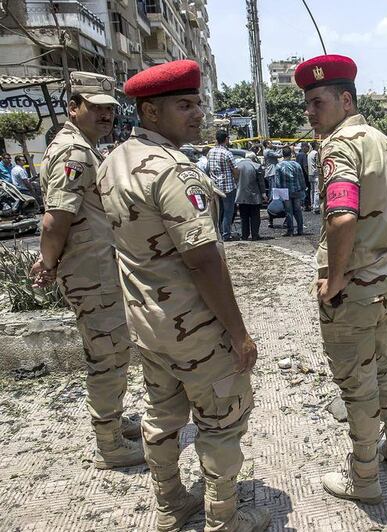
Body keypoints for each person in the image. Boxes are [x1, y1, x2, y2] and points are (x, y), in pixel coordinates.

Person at [97, 60, 269, 530]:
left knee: (161, 416)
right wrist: (239, 334)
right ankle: (223, 517)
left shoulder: (114, 159)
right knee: (221, 421)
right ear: (151, 112)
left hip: (148, 325)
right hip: (194, 329)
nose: (198, 114)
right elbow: (203, 260)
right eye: (184, 105)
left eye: (196, 103)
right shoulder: (172, 169)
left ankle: (170, 505)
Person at [296, 53, 387, 505]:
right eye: (307, 103)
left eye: (316, 101)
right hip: (385, 282)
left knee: (356, 383)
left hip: (352, 290)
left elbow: (341, 219)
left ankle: (365, 480)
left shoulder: (338, 146)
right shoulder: (384, 142)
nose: (309, 112)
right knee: (384, 366)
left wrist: (335, 279)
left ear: (345, 99)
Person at [29, 71, 145, 473]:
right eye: (94, 107)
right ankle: (109, 445)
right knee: (108, 353)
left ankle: (113, 421)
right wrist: (47, 262)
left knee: (113, 349)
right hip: (91, 271)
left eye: (109, 109)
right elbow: (54, 220)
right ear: (72, 107)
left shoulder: (79, 147)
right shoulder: (75, 153)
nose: (105, 115)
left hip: (95, 267)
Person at [208, 130, 239, 241]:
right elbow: (235, 170)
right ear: (226, 139)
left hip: (215, 187)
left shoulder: (210, 152)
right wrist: (235, 179)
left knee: (217, 212)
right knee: (228, 212)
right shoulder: (227, 153)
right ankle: (226, 234)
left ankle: (218, 233)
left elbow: (208, 168)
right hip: (228, 187)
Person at [274, 145, 306, 236]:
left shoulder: (279, 166)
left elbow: (277, 181)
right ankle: (300, 229)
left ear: (282, 154)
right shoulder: (296, 165)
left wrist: (277, 193)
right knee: (298, 210)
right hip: (296, 190)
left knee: (288, 211)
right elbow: (301, 178)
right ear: (291, 154)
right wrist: (303, 189)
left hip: (285, 191)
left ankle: (290, 230)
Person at [235, 153, 266, 241]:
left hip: (241, 195)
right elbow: (261, 182)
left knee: (243, 217)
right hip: (254, 195)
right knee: (255, 216)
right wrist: (263, 194)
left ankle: (244, 235)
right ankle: (255, 235)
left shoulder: (237, 166)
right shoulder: (256, 166)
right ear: (253, 158)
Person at [296, 142, 310, 211]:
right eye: (308, 147)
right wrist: (308, 174)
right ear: (304, 147)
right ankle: (306, 205)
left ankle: (301, 204)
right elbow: (305, 166)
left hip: (298, 175)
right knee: (306, 190)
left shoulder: (298, 155)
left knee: (300, 190)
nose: (308, 148)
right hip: (304, 175)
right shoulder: (304, 155)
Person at [308, 141, 320, 213]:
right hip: (315, 174)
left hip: (310, 173)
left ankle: (312, 205)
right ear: (315, 145)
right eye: (318, 144)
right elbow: (318, 163)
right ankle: (316, 207)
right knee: (316, 191)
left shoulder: (309, 153)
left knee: (312, 190)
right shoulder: (316, 153)